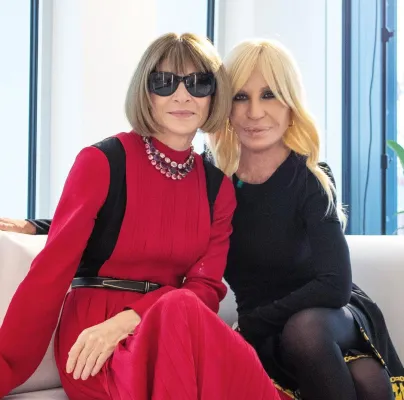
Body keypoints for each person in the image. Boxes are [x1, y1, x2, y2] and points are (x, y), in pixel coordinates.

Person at [0, 33, 282, 400]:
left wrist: (130, 319)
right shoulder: (101, 162)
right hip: (95, 338)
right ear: (145, 92)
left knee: (188, 313)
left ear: (215, 95)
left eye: (198, 83)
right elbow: (49, 274)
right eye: (164, 82)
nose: (182, 96)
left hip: (170, 325)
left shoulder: (218, 188)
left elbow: (205, 287)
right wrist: (7, 364)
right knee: (183, 311)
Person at [208, 39, 403, 400]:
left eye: (269, 95)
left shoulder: (311, 177)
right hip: (269, 334)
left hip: (331, 317)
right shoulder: (214, 183)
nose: (254, 112)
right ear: (225, 107)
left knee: (307, 330)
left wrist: (251, 323)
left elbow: (335, 285)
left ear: (291, 103)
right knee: (366, 379)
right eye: (240, 97)